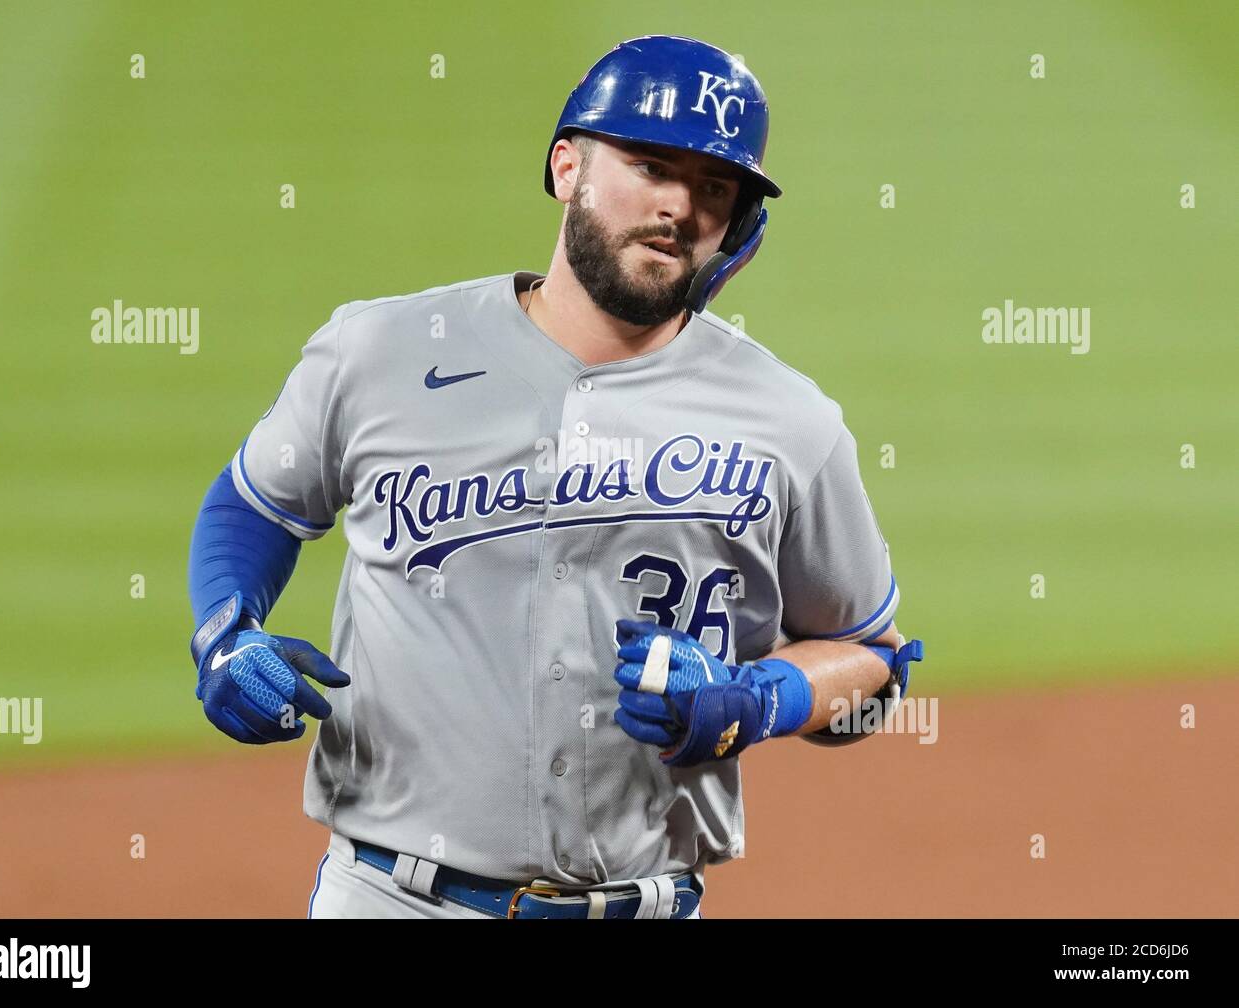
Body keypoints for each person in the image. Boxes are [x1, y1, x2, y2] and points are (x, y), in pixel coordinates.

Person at [187, 35, 922, 920]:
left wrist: (755, 699)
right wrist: (227, 632)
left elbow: (874, 663)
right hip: (393, 900)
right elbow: (255, 500)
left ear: (739, 224)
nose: (679, 206)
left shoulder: (790, 421)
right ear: (567, 166)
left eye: (713, 188)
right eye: (652, 166)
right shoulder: (379, 352)